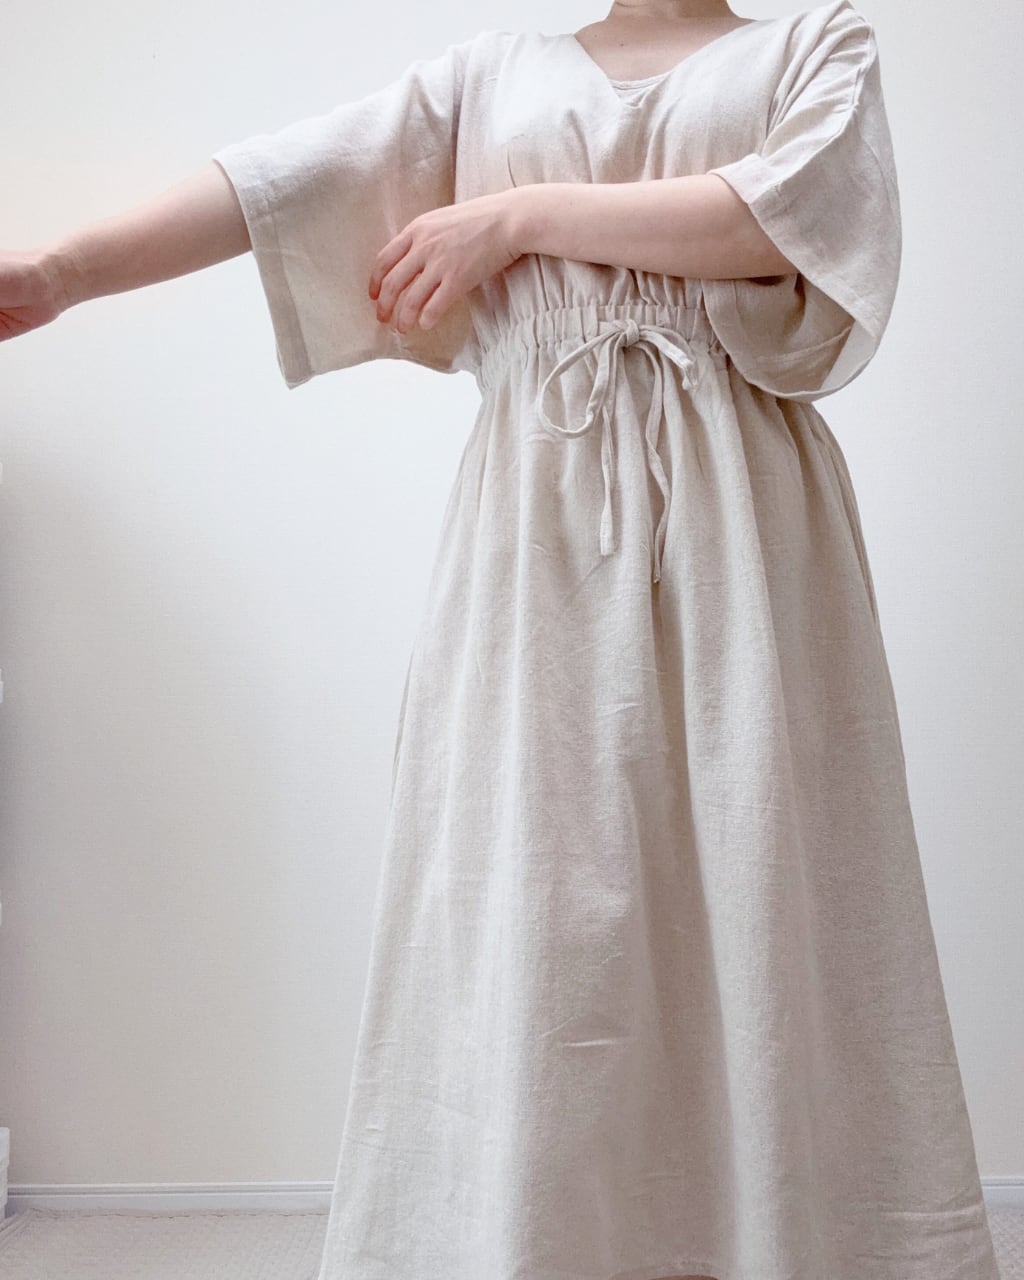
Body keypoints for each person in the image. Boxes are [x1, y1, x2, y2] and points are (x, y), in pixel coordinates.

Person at [0, 2, 1004, 1279]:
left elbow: (775, 218)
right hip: (537, 532)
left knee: (767, 878)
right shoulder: (495, 78)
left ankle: (780, 1240)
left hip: (746, 527)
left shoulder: (815, 45)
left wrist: (515, 216)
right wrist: (61, 272)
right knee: (536, 898)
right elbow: (278, 179)